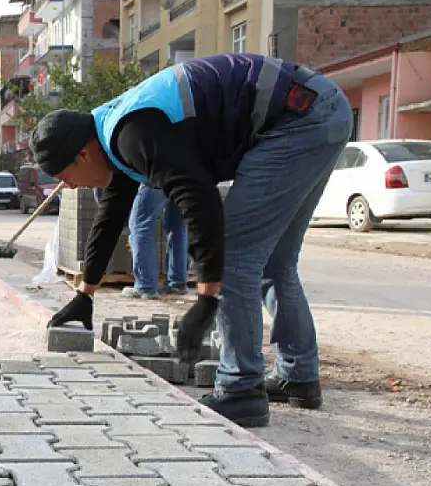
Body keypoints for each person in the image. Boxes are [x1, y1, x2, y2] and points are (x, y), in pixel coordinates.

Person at [31, 53, 353, 428]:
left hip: (296, 119)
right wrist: (84, 295)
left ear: (82, 154)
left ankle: (241, 388)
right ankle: (297, 374)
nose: (69, 186)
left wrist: (205, 298)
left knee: (236, 254)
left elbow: (199, 202)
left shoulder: (132, 133)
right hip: (318, 109)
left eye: (65, 176)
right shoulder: (110, 131)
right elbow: (110, 217)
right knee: (273, 261)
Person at [124, 184, 189, 299]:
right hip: (189, 174)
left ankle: (145, 286)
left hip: (161, 173)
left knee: (140, 224)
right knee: (177, 225)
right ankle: (177, 283)